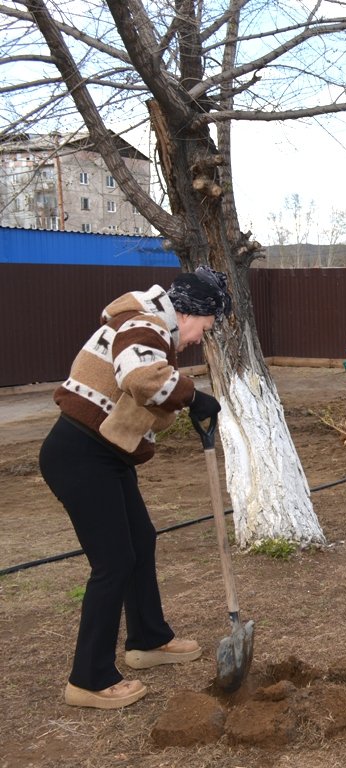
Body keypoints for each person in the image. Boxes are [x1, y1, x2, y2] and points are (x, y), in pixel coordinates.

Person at [38, 266, 232, 710]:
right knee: (113, 562)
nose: (200, 337)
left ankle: (147, 639)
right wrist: (192, 395)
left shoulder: (148, 324)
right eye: (205, 327)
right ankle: (89, 678)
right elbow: (140, 378)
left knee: (140, 541)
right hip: (81, 455)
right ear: (188, 313)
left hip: (104, 454)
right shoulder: (145, 325)